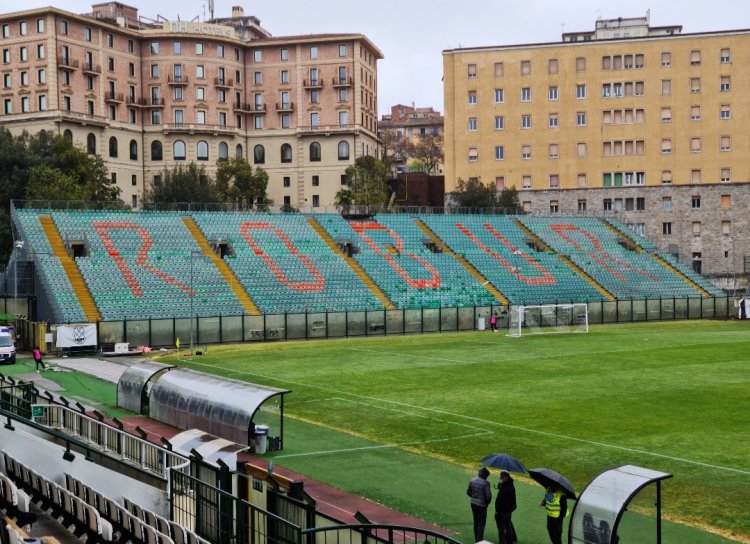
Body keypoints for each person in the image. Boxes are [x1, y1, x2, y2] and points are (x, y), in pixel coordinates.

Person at [467, 467, 492, 542]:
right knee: (481, 523)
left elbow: (468, 492)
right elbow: (488, 497)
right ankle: (479, 541)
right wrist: (487, 503)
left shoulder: (472, 480)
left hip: (473, 503)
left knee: (476, 521)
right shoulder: (486, 483)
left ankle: (476, 539)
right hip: (482, 506)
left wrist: (474, 497)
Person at [494, 471, 517, 544]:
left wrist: (497, 510)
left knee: (501, 529)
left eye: (502, 476)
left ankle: (502, 542)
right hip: (508, 510)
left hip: (502, 511)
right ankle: (510, 541)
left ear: (506, 477)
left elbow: (500, 501)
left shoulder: (505, 488)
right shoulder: (509, 485)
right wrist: (501, 485)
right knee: (508, 525)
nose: (500, 478)